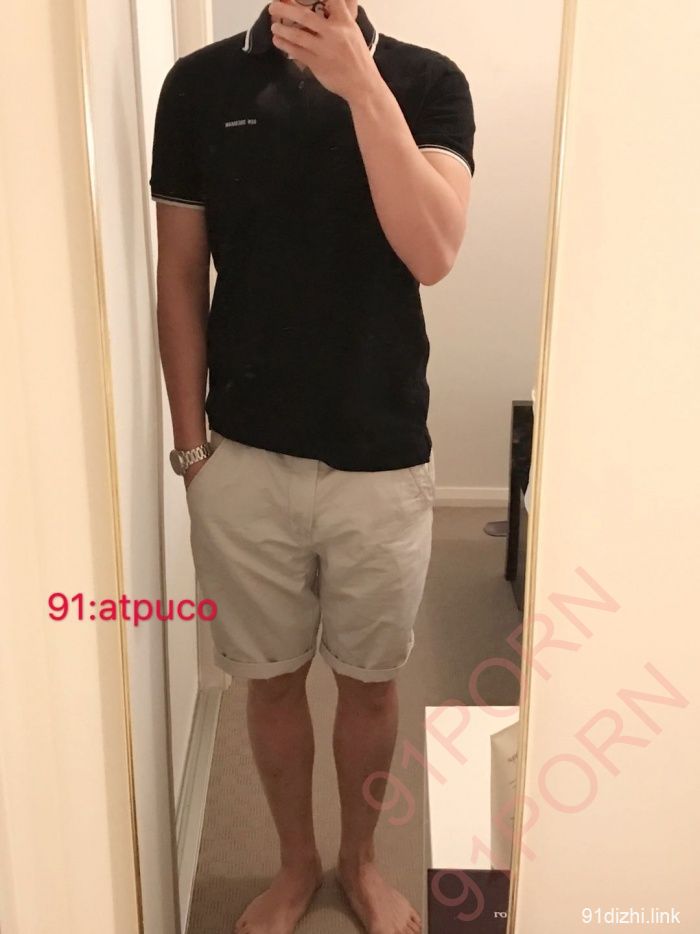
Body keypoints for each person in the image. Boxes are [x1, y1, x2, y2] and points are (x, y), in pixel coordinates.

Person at [150, 1, 475, 931]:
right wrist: (191, 450)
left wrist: (359, 83)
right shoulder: (199, 84)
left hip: (382, 457)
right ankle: (296, 865)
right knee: (272, 677)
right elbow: (181, 272)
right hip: (243, 455)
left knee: (370, 681)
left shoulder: (428, 81)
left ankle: (359, 864)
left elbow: (433, 251)